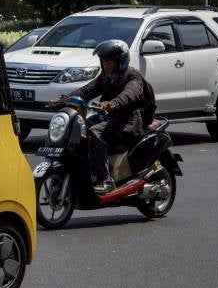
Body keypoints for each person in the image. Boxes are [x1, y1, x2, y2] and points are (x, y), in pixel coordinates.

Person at [48, 39, 146, 195]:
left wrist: (114, 103)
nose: (105, 64)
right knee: (77, 127)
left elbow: (129, 94)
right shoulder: (106, 76)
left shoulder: (133, 77)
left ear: (120, 61)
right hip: (109, 119)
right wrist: (63, 99)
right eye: (103, 61)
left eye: (109, 61)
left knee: (95, 132)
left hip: (127, 121)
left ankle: (105, 178)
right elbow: (87, 91)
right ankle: (82, 171)